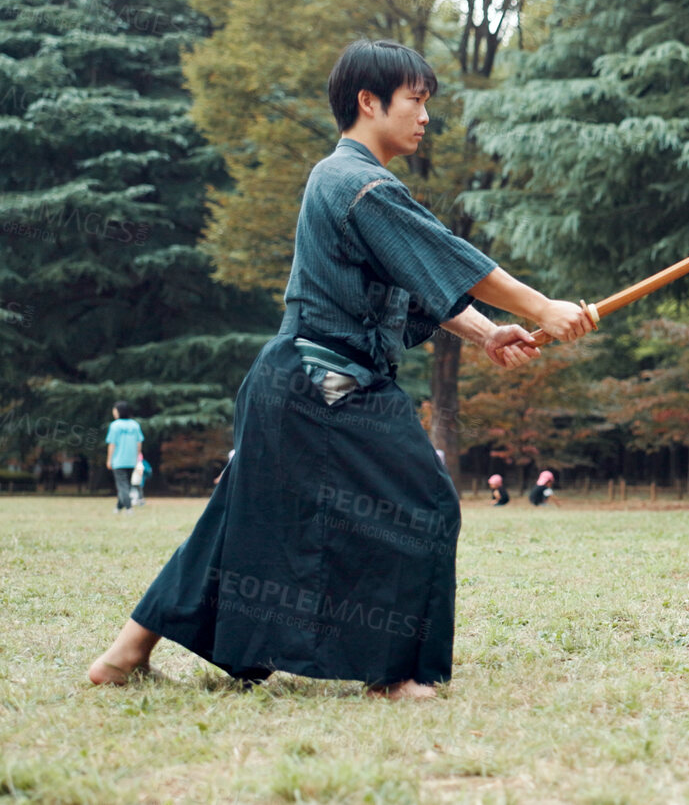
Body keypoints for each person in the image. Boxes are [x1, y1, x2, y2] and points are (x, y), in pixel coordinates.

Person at [86, 39, 597, 699]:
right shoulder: (358, 183)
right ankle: (391, 674)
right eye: (415, 101)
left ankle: (122, 657)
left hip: (293, 381)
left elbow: (412, 282)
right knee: (422, 500)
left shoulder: (350, 181)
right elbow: (439, 252)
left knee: (235, 522)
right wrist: (540, 305)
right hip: (326, 382)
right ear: (368, 102)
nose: (424, 116)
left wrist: (486, 331)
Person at [105, 402, 143, 514]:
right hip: (131, 460)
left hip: (118, 460)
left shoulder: (115, 425)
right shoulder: (135, 425)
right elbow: (139, 443)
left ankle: (128, 508)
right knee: (126, 485)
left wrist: (109, 459)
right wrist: (137, 457)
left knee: (122, 486)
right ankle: (118, 507)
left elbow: (112, 444)